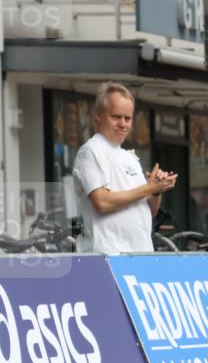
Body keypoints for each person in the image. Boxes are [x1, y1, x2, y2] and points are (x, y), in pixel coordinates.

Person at [73, 82, 176, 253]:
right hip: (108, 256)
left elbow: (150, 212)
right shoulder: (91, 151)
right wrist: (148, 188)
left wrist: (156, 191)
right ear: (98, 115)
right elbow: (102, 202)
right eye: (116, 117)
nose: (123, 124)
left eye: (128, 118)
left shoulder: (129, 157)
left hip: (140, 255)